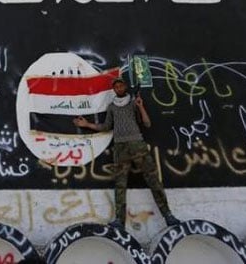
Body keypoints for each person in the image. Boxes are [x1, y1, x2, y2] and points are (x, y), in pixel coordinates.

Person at [73, 77, 181, 228]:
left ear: (125, 86)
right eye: (116, 86)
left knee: (153, 179)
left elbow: (147, 123)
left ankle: (168, 215)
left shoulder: (133, 103)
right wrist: (86, 124)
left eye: (121, 85)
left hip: (137, 144)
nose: (119, 88)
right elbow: (106, 127)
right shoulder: (111, 107)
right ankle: (119, 220)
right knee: (120, 184)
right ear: (114, 90)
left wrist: (140, 106)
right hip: (120, 147)